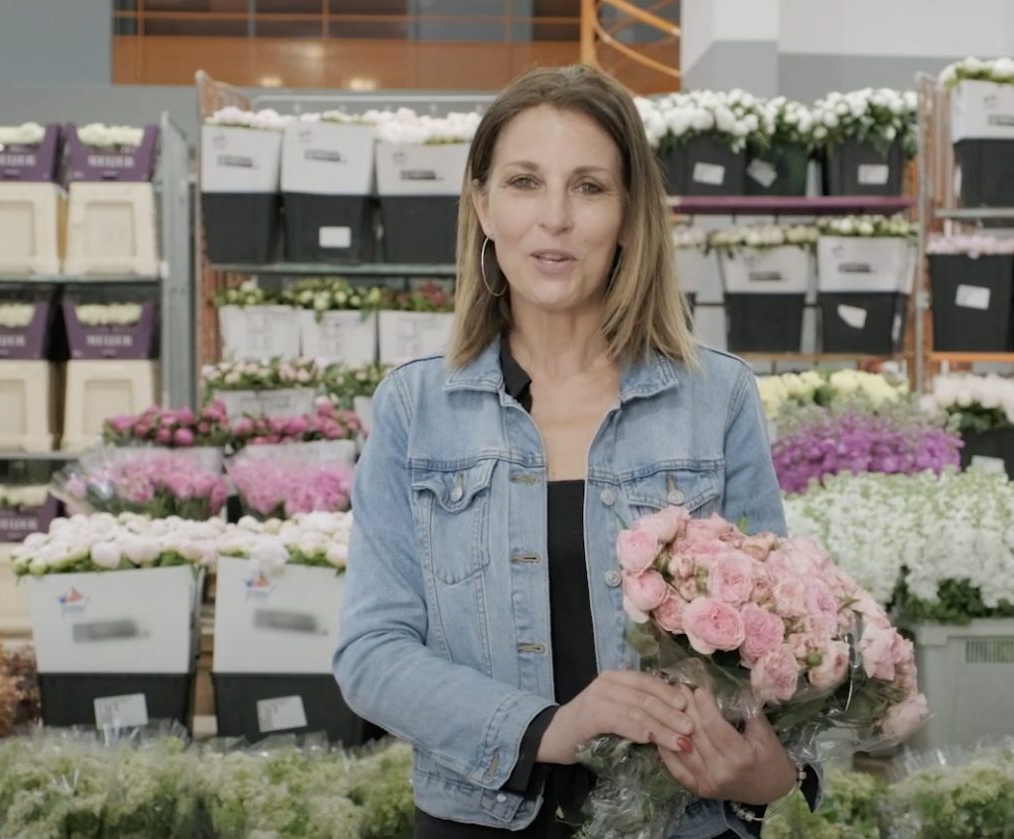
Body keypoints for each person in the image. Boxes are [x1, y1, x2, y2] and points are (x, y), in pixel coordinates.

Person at [334, 65, 817, 837]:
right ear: (483, 205)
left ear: (627, 214)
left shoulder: (715, 397)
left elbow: (781, 640)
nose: (554, 218)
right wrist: (548, 726)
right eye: (525, 182)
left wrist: (774, 772)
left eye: (589, 187)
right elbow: (371, 652)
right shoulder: (415, 409)